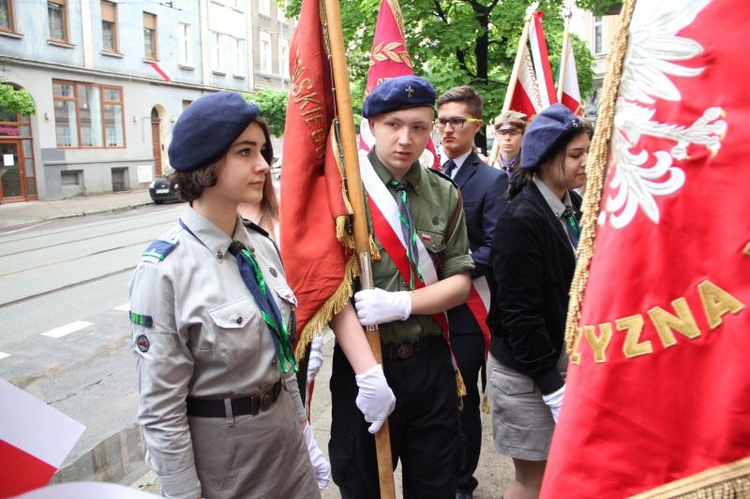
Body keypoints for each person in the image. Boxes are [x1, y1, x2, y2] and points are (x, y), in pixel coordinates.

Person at [128, 91, 330, 499]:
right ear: (206, 163)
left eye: (262, 151)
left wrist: (303, 431)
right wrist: (183, 493)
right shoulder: (165, 270)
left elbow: (282, 357)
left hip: (285, 443)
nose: (262, 165)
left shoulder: (260, 245)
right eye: (245, 152)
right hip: (225, 456)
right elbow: (161, 410)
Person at [328, 75, 475, 499]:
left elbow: (460, 282)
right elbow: (329, 292)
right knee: (363, 486)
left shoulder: (445, 194)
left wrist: (401, 303)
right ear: (370, 125)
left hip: (429, 365)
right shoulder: (344, 193)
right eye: (393, 125)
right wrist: (369, 375)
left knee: (436, 483)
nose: (405, 138)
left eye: (419, 127)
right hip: (365, 366)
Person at [485, 103, 592, 499]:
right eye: (576, 154)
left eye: (587, 152)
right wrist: (552, 387)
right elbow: (520, 315)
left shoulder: (572, 206)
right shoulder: (521, 219)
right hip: (528, 373)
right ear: (547, 159)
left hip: (560, 360)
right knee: (535, 480)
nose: (586, 163)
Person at [436, 85, 505, 499]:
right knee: (435, 397)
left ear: (476, 126)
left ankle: (463, 483)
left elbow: (494, 248)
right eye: (441, 120)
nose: (446, 128)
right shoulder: (429, 175)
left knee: (460, 401)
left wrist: (444, 274)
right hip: (429, 309)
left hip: (468, 309)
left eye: (455, 121)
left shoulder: (493, 181)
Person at [493, 110, 527, 174]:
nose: (507, 138)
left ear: (523, 135)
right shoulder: (486, 165)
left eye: (513, 133)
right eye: (503, 133)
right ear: (495, 135)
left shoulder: (533, 167)